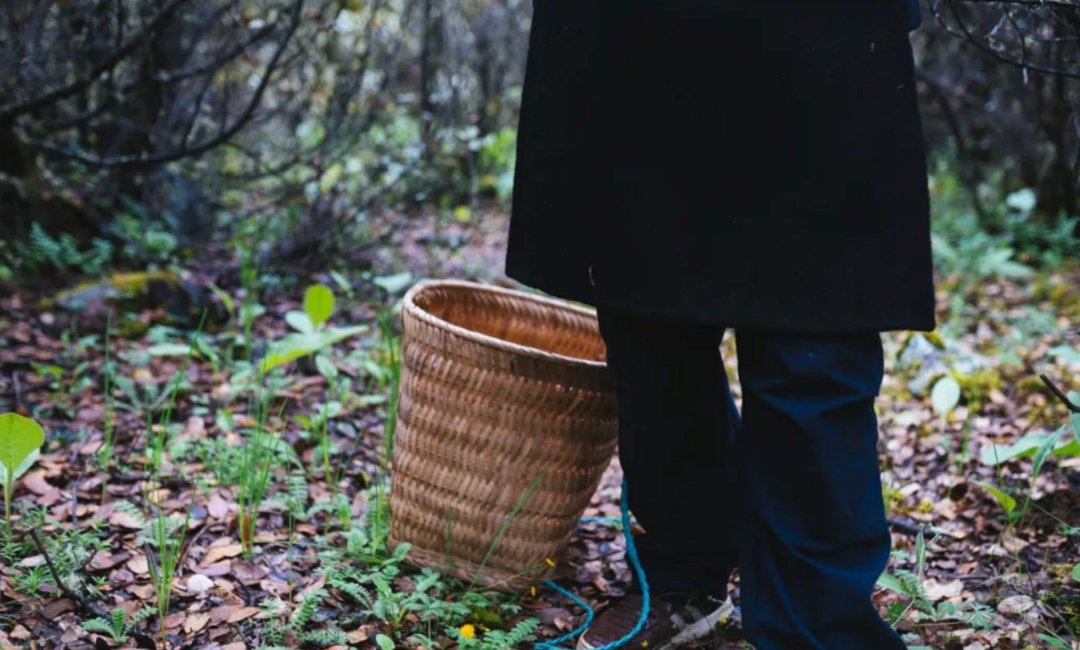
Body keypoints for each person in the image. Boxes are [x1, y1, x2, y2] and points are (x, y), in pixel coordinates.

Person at [504, 0, 935, 648]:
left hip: (824, 28)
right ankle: (683, 577)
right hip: (629, 32)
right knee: (647, 316)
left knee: (813, 331)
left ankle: (815, 626)